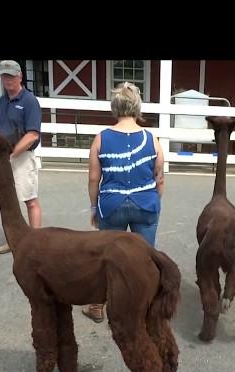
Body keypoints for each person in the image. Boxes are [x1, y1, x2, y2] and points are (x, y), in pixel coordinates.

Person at [82, 82, 165, 322]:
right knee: (145, 257)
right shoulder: (152, 138)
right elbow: (159, 178)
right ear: (137, 107)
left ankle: (98, 304)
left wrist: (93, 207)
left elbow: (93, 178)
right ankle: (145, 305)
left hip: (112, 204)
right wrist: (153, 201)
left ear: (114, 107)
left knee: (107, 256)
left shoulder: (101, 138)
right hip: (145, 203)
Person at [0, 60, 42, 255]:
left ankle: (35, 241)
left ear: (20, 76)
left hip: (20, 156)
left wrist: (11, 154)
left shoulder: (29, 101)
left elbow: (32, 135)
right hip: (1, 157)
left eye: (11, 76)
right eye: (4, 76)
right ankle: (12, 240)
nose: (8, 80)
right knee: (5, 200)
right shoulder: (2, 101)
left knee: (30, 199)